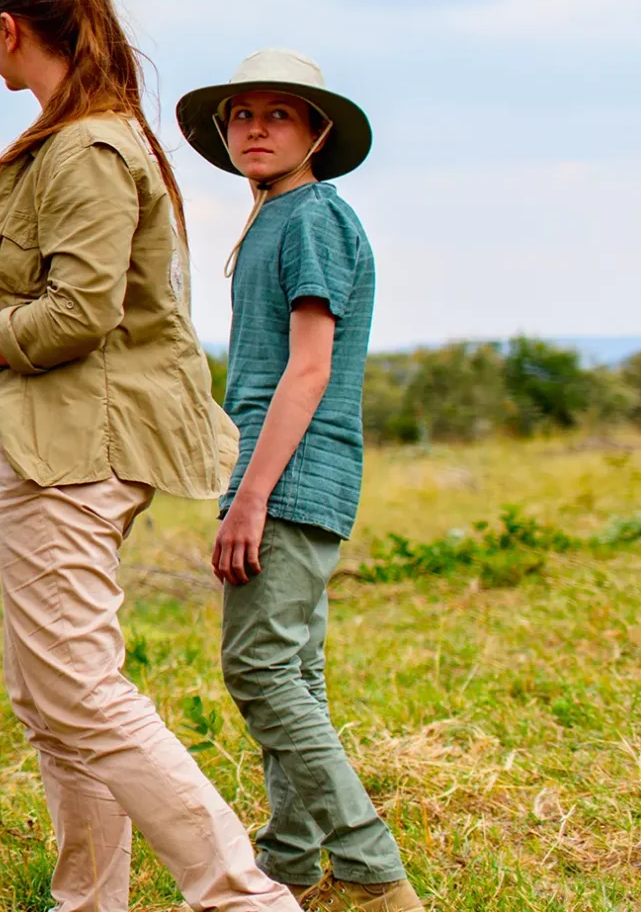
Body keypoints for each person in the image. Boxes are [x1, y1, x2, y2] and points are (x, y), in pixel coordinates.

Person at [0, 0, 298, 912]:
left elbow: (81, 312)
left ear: (6, 28)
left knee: (79, 690)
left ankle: (242, 898)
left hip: (74, 449)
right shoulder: (78, 134)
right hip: (57, 440)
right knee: (50, 701)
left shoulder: (85, 147)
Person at [179, 50, 420, 912]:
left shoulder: (313, 215)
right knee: (296, 670)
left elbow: (309, 369)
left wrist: (250, 496)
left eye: (279, 114)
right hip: (284, 475)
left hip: (286, 478)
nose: (256, 128)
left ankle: (374, 871)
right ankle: (287, 862)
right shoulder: (277, 216)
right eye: (242, 114)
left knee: (260, 671)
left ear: (315, 130)